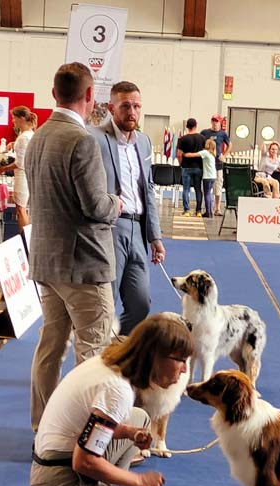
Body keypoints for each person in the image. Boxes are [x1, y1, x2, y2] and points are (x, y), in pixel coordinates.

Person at [30, 313, 194, 486]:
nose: (184, 369)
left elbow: (89, 426)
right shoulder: (117, 390)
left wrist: (129, 432)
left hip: (54, 461)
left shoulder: (107, 362)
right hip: (62, 479)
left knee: (139, 418)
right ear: (154, 356)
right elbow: (84, 462)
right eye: (179, 360)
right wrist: (139, 481)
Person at [25, 62, 121, 432]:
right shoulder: (82, 141)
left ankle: (43, 427)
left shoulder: (37, 137)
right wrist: (116, 203)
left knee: (50, 347)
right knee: (93, 354)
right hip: (83, 265)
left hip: (47, 263)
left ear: (54, 94)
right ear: (90, 95)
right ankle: (85, 437)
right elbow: (95, 206)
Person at [90, 81, 166, 335]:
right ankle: (99, 354)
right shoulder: (95, 138)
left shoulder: (144, 142)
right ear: (112, 108)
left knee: (140, 305)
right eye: (125, 106)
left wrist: (155, 236)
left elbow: (149, 190)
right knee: (106, 304)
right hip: (110, 228)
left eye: (136, 106)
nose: (132, 112)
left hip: (138, 230)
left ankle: (116, 348)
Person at [0, 106, 37, 230]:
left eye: (14, 118)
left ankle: (24, 238)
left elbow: (20, 163)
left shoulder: (24, 137)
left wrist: (2, 169)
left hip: (22, 176)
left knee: (20, 210)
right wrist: (13, 144)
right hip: (26, 175)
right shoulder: (29, 134)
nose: (13, 121)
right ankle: (25, 237)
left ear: (21, 118)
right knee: (21, 209)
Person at [200, 115, 232, 216]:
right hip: (207, 165)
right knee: (205, 187)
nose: (215, 123)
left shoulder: (223, 134)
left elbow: (230, 145)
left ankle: (217, 208)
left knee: (218, 185)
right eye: (213, 121)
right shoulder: (205, 132)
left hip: (218, 164)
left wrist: (224, 155)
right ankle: (207, 208)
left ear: (220, 122)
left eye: (216, 121)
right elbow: (199, 143)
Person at [176, 118, 205, 217]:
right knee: (198, 189)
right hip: (198, 167)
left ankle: (186, 210)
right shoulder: (202, 138)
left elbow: (179, 154)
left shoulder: (182, 139)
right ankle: (199, 211)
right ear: (196, 125)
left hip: (186, 167)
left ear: (187, 126)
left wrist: (181, 163)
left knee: (186, 189)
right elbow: (205, 153)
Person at [183, 138, 217, 217]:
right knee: (209, 193)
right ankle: (210, 211)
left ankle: (208, 212)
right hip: (213, 176)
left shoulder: (205, 152)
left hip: (207, 176)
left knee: (207, 194)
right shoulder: (212, 154)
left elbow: (194, 155)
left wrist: (185, 154)